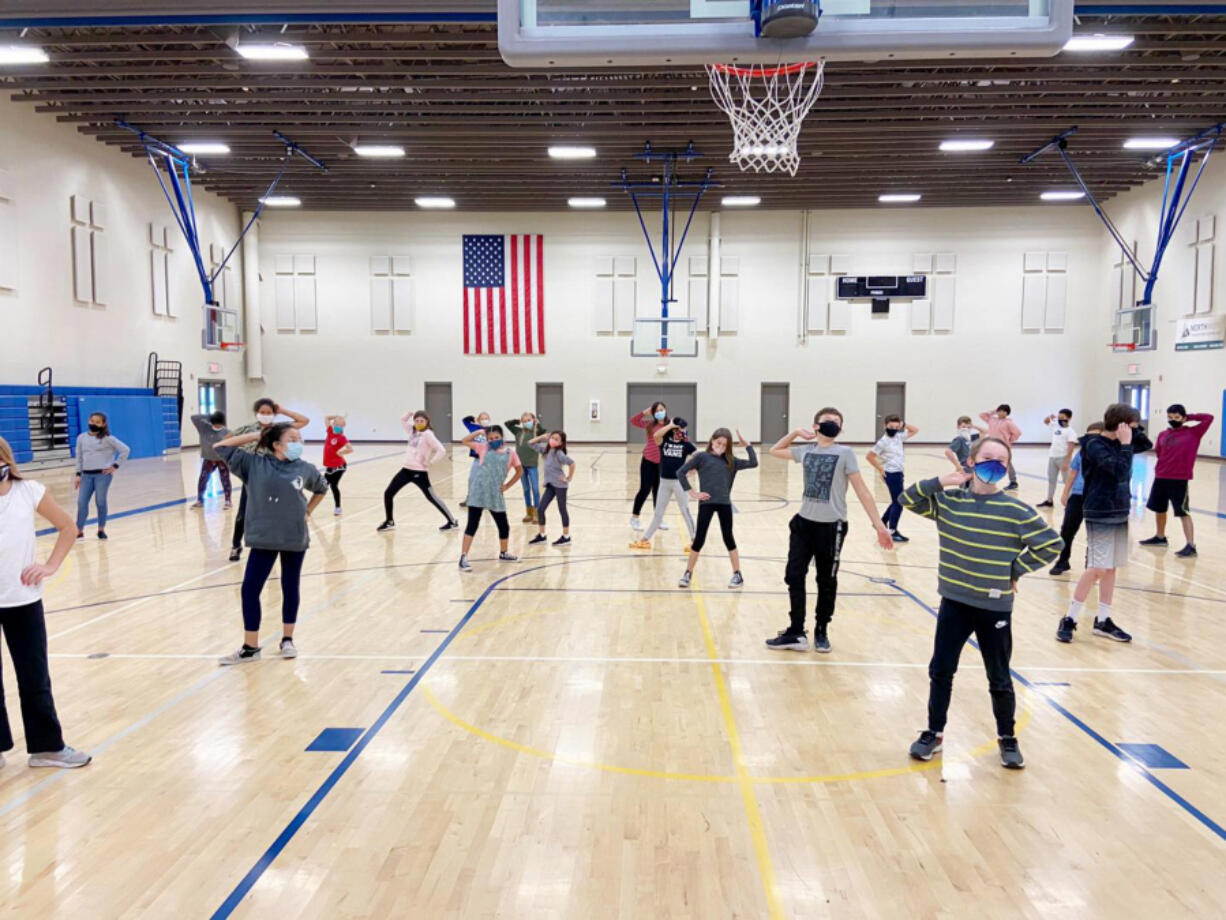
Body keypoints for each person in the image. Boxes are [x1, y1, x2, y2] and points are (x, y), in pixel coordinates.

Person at [901, 437, 1063, 769]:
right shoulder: (950, 502)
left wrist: (1014, 570)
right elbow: (908, 499)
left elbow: (1051, 544)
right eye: (987, 458)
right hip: (954, 602)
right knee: (941, 670)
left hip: (995, 607)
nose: (994, 465)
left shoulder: (1016, 510)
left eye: (1001, 461)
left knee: (999, 676)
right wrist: (940, 482)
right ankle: (934, 732)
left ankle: (1007, 738)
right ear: (971, 462)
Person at [764, 408, 893, 653]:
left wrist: (879, 525)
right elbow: (774, 450)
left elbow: (862, 490)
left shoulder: (845, 453)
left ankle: (821, 629)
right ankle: (796, 632)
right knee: (794, 575)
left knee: (826, 580)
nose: (832, 425)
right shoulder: (807, 451)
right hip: (803, 524)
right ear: (816, 426)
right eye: (827, 422)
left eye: (837, 423)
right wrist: (794, 433)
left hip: (831, 527)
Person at [0, 437, 92, 768]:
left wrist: (50, 566)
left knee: (34, 675)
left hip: (22, 600)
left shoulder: (30, 492)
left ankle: (46, 747)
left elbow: (68, 527)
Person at [214, 423, 328, 664]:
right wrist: (258, 435)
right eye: (292, 438)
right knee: (250, 590)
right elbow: (220, 446)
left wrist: (308, 511)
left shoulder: (305, 468)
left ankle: (288, 639)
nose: (299, 443)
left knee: (290, 586)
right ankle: (250, 647)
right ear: (276, 444)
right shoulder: (254, 465)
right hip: (263, 538)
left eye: (300, 439)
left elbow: (321, 488)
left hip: (293, 536)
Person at [1056, 404, 1152, 645]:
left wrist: (1131, 433)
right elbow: (1119, 471)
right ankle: (1069, 618)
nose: (1135, 429)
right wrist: (1127, 443)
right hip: (1099, 510)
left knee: (1111, 568)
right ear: (1121, 424)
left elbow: (1147, 444)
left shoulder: (1120, 442)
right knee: (1097, 568)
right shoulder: (1094, 446)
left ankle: (1103, 620)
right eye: (1133, 424)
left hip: (1119, 509)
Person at [228, 399, 309, 562]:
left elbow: (304, 421)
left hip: (276, 476)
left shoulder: (280, 429)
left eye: (269, 412)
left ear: (274, 413)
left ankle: (275, 543)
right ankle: (236, 545)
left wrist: (283, 410)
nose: (265, 415)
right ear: (256, 412)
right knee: (244, 512)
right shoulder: (248, 429)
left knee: (277, 511)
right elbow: (226, 439)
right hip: (254, 477)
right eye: (262, 412)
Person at [676, 428, 758, 589]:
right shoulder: (701, 457)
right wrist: (692, 492)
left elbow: (754, 463)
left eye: (724, 445)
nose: (720, 446)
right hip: (706, 503)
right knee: (699, 539)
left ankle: (737, 574)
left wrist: (747, 445)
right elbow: (681, 472)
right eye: (718, 442)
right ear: (712, 441)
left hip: (724, 504)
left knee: (728, 537)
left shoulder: (731, 461)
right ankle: (688, 573)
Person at [1139, 404, 1214, 558]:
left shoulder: (1194, 432)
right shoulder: (1162, 434)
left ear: (1183, 418)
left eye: (1177, 417)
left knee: (1182, 511)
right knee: (1159, 508)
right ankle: (1160, 537)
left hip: (1179, 479)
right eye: (1170, 417)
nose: (1173, 420)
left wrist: (1190, 417)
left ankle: (1190, 545)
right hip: (1161, 476)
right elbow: (1160, 453)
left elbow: (1209, 418)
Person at [378, 410, 458, 532]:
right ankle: (389, 521)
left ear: (427, 422)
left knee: (432, 497)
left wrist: (431, 462)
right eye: (417, 421)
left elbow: (441, 450)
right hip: (406, 470)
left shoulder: (428, 434)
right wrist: (409, 414)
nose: (419, 423)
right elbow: (402, 420)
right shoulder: (412, 431)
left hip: (419, 472)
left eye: (422, 421)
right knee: (388, 493)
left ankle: (452, 521)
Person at [458, 424, 522, 571]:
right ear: (487, 439)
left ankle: (504, 553)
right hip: (478, 491)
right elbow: (464, 441)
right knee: (472, 524)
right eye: (490, 438)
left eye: (496, 437)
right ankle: (463, 557)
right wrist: (479, 432)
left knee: (503, 526)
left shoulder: (510, 453)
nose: (494, 440)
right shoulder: (482, 448)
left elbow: (519, 471)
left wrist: (507, 486)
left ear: (502, 437)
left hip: (495, 493)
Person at [629, 417, 697, 550]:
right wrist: (670, 425)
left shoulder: (686, 444)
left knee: (685, 511)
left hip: (679, 483)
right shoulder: (664, 441)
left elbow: (699, 457)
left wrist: (693, 469)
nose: (684, 432)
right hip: (664, 482)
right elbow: (656, 435)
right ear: (674, 430)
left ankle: (695, 541)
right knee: (658, 514)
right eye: (682, 429)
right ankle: (645, 540)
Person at [1049, 421, 1105, 576]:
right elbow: (1073, 473)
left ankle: (1091, 564)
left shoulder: (1106, 453)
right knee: (1067, 530)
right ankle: (1063, 560)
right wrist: (1065, 492)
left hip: (1097, 497)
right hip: (1078, 495)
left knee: (1094, 533)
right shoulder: (1082, 453)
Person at [73, 411, 130, 542]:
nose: (93, 424)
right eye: (92, 421)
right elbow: (79, 457)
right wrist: (78, 474)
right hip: (86, 475)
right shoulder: (81, 438)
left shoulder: (108, 438)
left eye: (97, 422)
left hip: (102, 476)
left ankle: (101, 529)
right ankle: (79, 530)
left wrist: (115, 466)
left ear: (103, 424)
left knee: (100, 502)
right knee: (81, 503)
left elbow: (125, 450)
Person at [865, 415, 919, 543]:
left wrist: (903, 424)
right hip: (891, 473)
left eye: (896, 427)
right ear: (884, 426)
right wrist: (880, 469)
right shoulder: (883, 441)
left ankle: (882, 522)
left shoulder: (899, 436)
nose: (893, 429)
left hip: (899, 472)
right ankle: (892, 530)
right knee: (899, 502)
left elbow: (915, 430)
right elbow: (870, 456)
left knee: (897, 500)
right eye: (890, 427)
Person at [528, 430, 575, 546]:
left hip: (560, 486)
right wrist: (542, 437)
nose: (553, 440)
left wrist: (568, 478)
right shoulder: (547, 450)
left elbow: (572, 463)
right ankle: (542, 535)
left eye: (556, 439)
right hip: (550, 485)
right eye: (552, 438)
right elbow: (530, 443)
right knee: (540, 509)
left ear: (561, 443)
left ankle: (566, 536)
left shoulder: (559, 453)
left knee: (562, 509)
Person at [629, 402, 669, 532]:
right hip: (648, 461)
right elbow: (634, 421)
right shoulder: (649, 425)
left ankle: (658, 519)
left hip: (662, 463)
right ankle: (635, 518)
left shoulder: (670, 426)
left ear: (665, 410)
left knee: (659, 491)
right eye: (656, 410)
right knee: (645, 489)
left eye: (661, 409)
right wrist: (644, 413)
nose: (659, 412)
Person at [505, 412, 545, 523]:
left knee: (535, 489)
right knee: (526, 489)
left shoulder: (536, 432)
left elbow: (543, 431)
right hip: (521, 466)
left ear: (533, 420)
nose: (527, 422)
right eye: (525, 420)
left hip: (532, 465)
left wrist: (537, 424)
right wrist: (517, 421)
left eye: (529, 420)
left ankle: (537, 513)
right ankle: (529, 513)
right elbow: (507, 424)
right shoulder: (518, 431)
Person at [190, 410, 232, 509]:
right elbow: (193, 417)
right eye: (216, 423)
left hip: (222, 460)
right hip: (208, 459)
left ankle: (228, 501)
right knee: (203, 479)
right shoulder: (204, 428)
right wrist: (210, 416)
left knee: (225, 480)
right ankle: (200, 501)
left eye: (220, 424)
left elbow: (231, 446)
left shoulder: (227, 432)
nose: (218, 426)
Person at [1037, 409, 1078, 508]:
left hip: (1063, 458)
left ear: (1069, 418)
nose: (1060, 420)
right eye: (1059, 417)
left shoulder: (1071, 432)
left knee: (1067, 481)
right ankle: (1049, 500)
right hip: (1052, 457)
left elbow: (1071, 448)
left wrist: (1067, 462)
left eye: (1062, 418)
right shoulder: (1055, 426)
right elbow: (1046, 421)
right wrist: (1050, 417)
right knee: (1051, 480)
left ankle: (1071, 502)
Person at [979, 405, 1022, 490]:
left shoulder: (1009, 423)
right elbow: (981, 415)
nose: (1000, 413)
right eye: (999, 411)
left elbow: (1018, 433)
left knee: (1007, 463)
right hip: (991, 446)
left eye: (1002, 411)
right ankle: (988, 480)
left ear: (1006, 413)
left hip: (1003, 447)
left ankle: (1013, 482)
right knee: (989, 462)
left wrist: (1010, 440)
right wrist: (994, 411)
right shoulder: (992, 420)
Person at [458, 411, 492, 510]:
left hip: (488, 460)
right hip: (477, 459)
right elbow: (465, 420)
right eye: (482, 419)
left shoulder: (492, 430)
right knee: (472, 479)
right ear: (479, 420)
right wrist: (473, 417)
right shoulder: (474, 428)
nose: (484, 420)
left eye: (486, 418)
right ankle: (469, 499)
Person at [321, 413, 353, 516]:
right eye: (337, 424)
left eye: (341, 425)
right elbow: (326, 417)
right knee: (325, 486)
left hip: (339, 467)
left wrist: (341, 452)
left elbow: (350, 449)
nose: (339, 427)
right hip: (329, 466)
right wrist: (337, 415)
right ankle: (337, 507)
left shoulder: (341, 437)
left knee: (331, 485)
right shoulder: (330, 431)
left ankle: (338, 507)